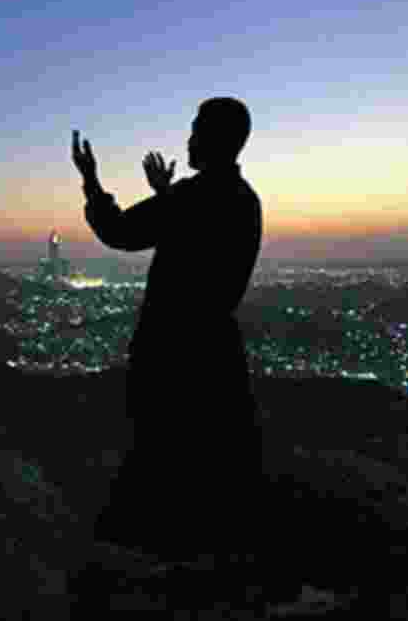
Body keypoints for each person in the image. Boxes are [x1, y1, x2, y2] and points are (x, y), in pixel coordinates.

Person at [71, 97, 273, 607]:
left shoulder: (193, 198)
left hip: (171, 351)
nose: (188, 139)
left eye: (196, 130)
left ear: (214, 138)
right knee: (209, 466)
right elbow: (201, 247)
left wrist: (91, 179)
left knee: (159, 458)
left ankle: (143, 581)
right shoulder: (245, 199)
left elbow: (120, 233)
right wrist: (167, 196)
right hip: (216, 353)